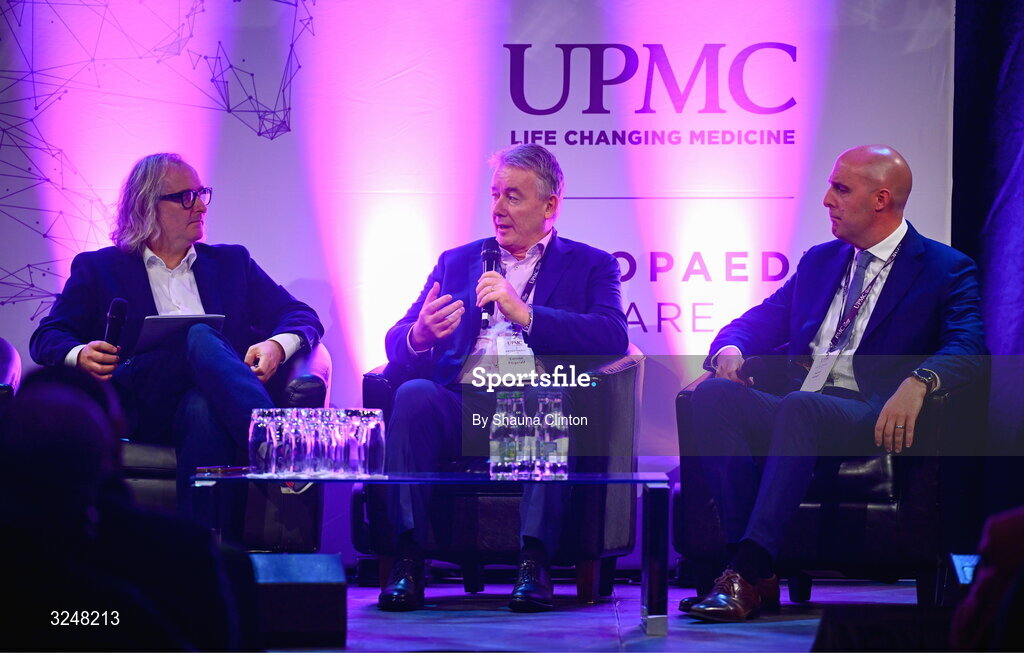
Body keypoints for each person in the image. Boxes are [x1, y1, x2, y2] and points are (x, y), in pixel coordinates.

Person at [681, 145, 986, 621]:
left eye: (841, 189)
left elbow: (970, 347)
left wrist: (920, 380)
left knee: (801, 406)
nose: (827, 200)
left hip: (869, 409)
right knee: (716, 395)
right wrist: (731, 348)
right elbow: (759, 319)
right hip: (797, 404)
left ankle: (747, 568)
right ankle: (747, 570)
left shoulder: (945, 269)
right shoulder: (821, 261)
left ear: (881, 199)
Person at [378, 143, 628, 612]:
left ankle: (533, 562)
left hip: (532, 401)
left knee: (540, 396)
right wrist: (420, 334)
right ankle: (408, 560)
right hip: (463, 402)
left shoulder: (591, 264)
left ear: (550, 206)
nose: (497, 209)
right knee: (413, 395)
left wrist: (527, 313)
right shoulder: (457, 261)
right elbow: (396, 341)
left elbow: (613, 334)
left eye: (512, 197)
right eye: (494, 195)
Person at [29, 153, 324, 529]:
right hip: (142, 401)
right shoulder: (100, 268)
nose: (200, 205)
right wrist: (79, 354)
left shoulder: (232, 263)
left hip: (211, 402)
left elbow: (301, 315)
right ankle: (277, 444)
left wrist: (276, 346)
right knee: (199, 334)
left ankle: (208, 559)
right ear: (147, 207)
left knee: (201, 406)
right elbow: (47, 336)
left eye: (202, 193)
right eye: (186, 197)